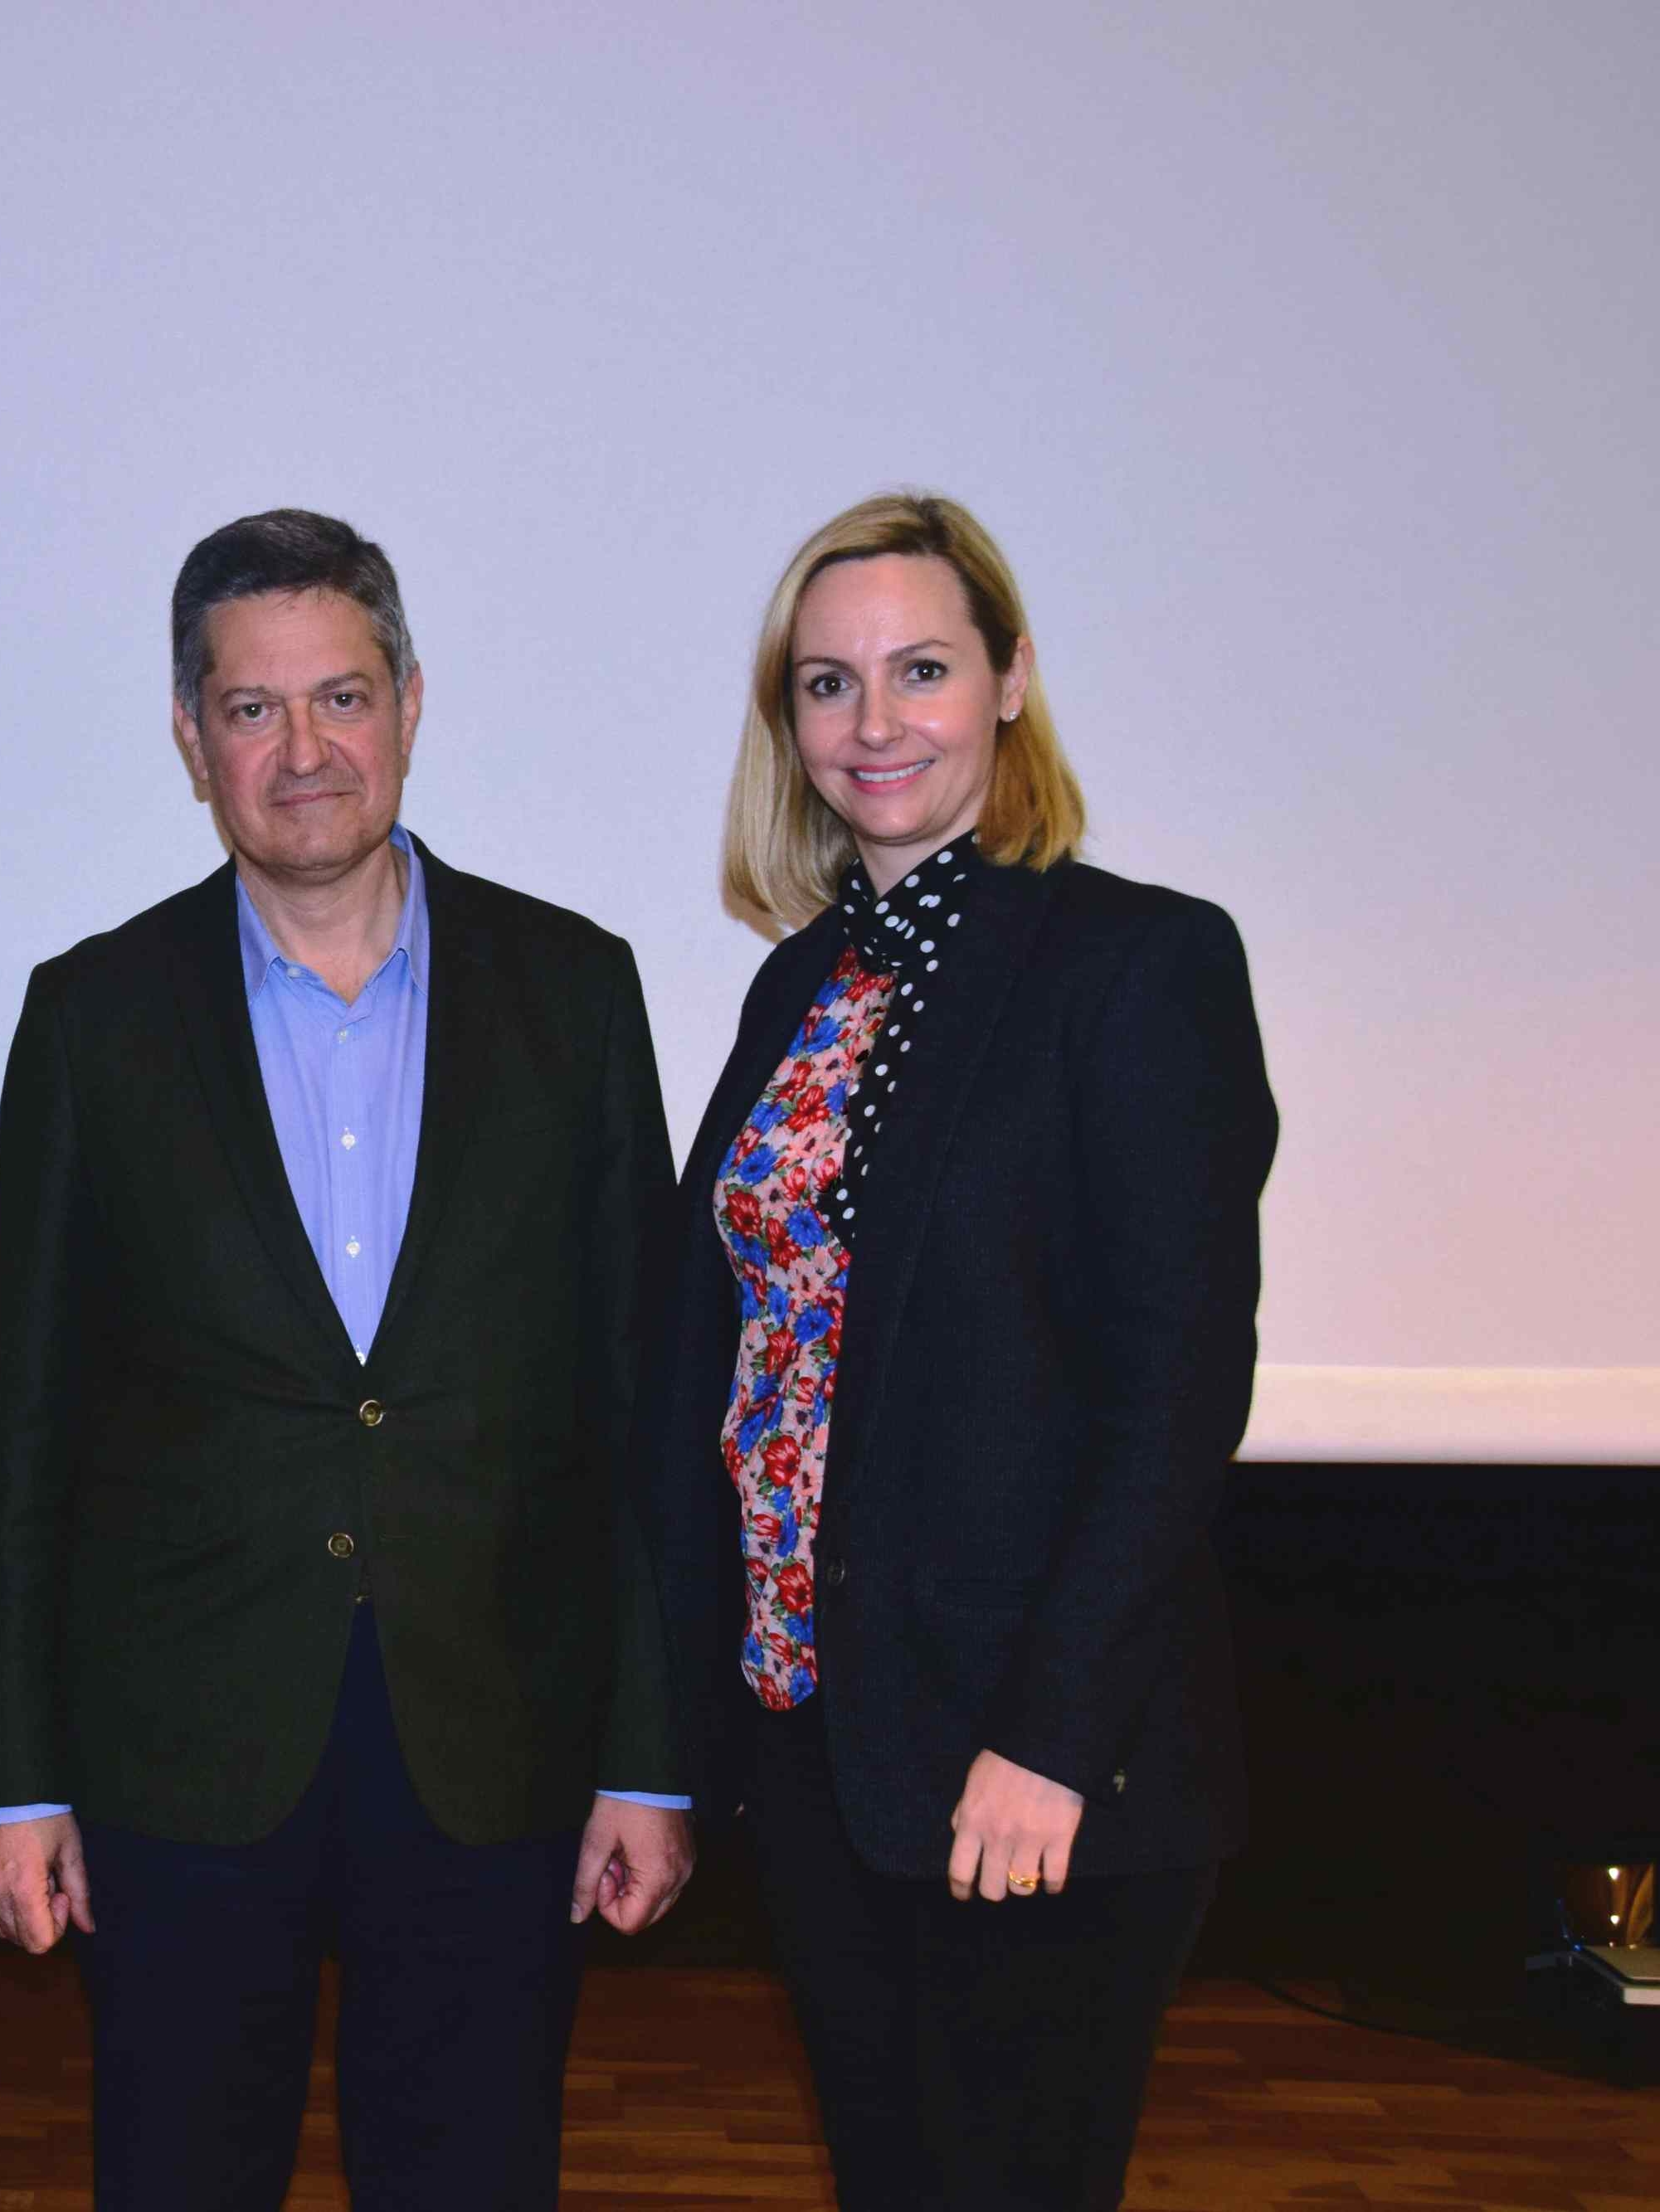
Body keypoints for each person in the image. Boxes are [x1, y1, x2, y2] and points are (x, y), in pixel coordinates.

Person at [0, 509, 694, 2210]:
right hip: (178, 1755)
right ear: (189, 736)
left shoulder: (576, 993)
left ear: (410, 703)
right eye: (251, 708)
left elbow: (634, 1403)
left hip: (497, 1736)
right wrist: (14, 1777)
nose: (302, 750)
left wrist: (647, 1754)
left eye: (341, 697)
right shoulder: (90, 1017)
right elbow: (28, 1421)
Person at [643, 491, 1275, 2207]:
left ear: (1009, 678)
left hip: (1030, 1764)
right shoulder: (802, 985)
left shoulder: (1135, 964)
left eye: (920, 669)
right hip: (823, 1743)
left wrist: (1052, 1736)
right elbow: (738, 1358)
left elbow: (1174, 1392)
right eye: (827, 683)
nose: (874, 721)